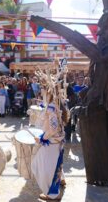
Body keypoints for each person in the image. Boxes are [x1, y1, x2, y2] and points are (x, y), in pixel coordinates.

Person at [31, 72, 67, 201]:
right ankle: (61, 181)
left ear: (48, 90)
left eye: (43, 88)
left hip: (52, 142)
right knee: (55, 165)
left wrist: (42, 138)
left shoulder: (52, 106)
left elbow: (53, 127)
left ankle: (53, 194)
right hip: (58, 141)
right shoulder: (60, 102)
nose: (42, 90)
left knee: (41, 166)